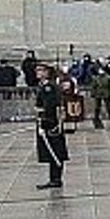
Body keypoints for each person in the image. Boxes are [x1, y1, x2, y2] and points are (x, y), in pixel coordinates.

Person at [33, 62, 68, 190]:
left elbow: (50, 106)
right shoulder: (44, 86)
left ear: (47, 72)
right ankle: (54, 178)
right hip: (48, 122)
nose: (38, 72)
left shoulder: (49, 87)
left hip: (50, 123)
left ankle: (56, 179)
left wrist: (43, 120)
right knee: (52, 151)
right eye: (37, 70)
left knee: (55, 151)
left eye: (41, 70)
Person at [89, 63, 110, 128]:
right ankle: (96, 116)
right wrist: (93, 93)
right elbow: (93, 86)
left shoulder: (108, 77)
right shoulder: (96, 78)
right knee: (97, 106)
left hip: (106, 92)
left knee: (108, 105)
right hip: (98, 93)